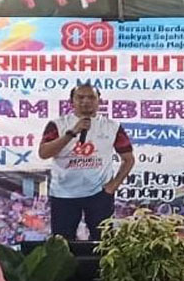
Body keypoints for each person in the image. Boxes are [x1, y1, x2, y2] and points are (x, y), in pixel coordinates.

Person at [38, 84, 135, 240]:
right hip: (64, 193)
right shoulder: (57, 125)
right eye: (80, 97)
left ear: (99, 101)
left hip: (99, 194)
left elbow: (128, 159)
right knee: (62, 244)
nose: (86, 101)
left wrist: (112, 186)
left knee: (103, 242)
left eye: (91, 97)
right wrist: (71, 133)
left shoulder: (112, 126)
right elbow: (44, 153)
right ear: (71, 101)